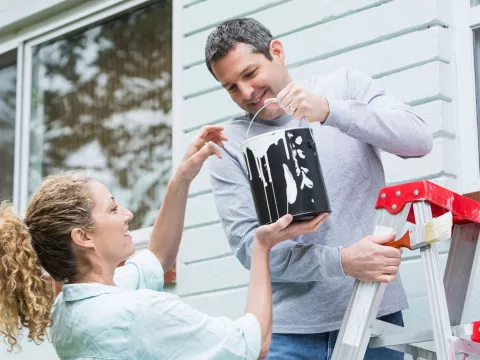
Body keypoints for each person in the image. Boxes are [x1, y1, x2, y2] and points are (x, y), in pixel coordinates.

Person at [205, 18, 433, 359]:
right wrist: (342, 261)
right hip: (288, 335)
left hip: (373, 316)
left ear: (277, 52)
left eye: (250, 74)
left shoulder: (343, 86)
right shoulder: (229, 143)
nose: (247, 94)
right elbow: (248, 247)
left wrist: (330, 111)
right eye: (231, 87)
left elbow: (419, 139)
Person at [0, 124, 329, 360]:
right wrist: (261, 248)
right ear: (83, 237)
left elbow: (158, 255)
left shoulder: (70, 310)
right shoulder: (138, 311)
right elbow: (251, 346)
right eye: (113, 208)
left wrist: (182, 178)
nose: (127, 214)